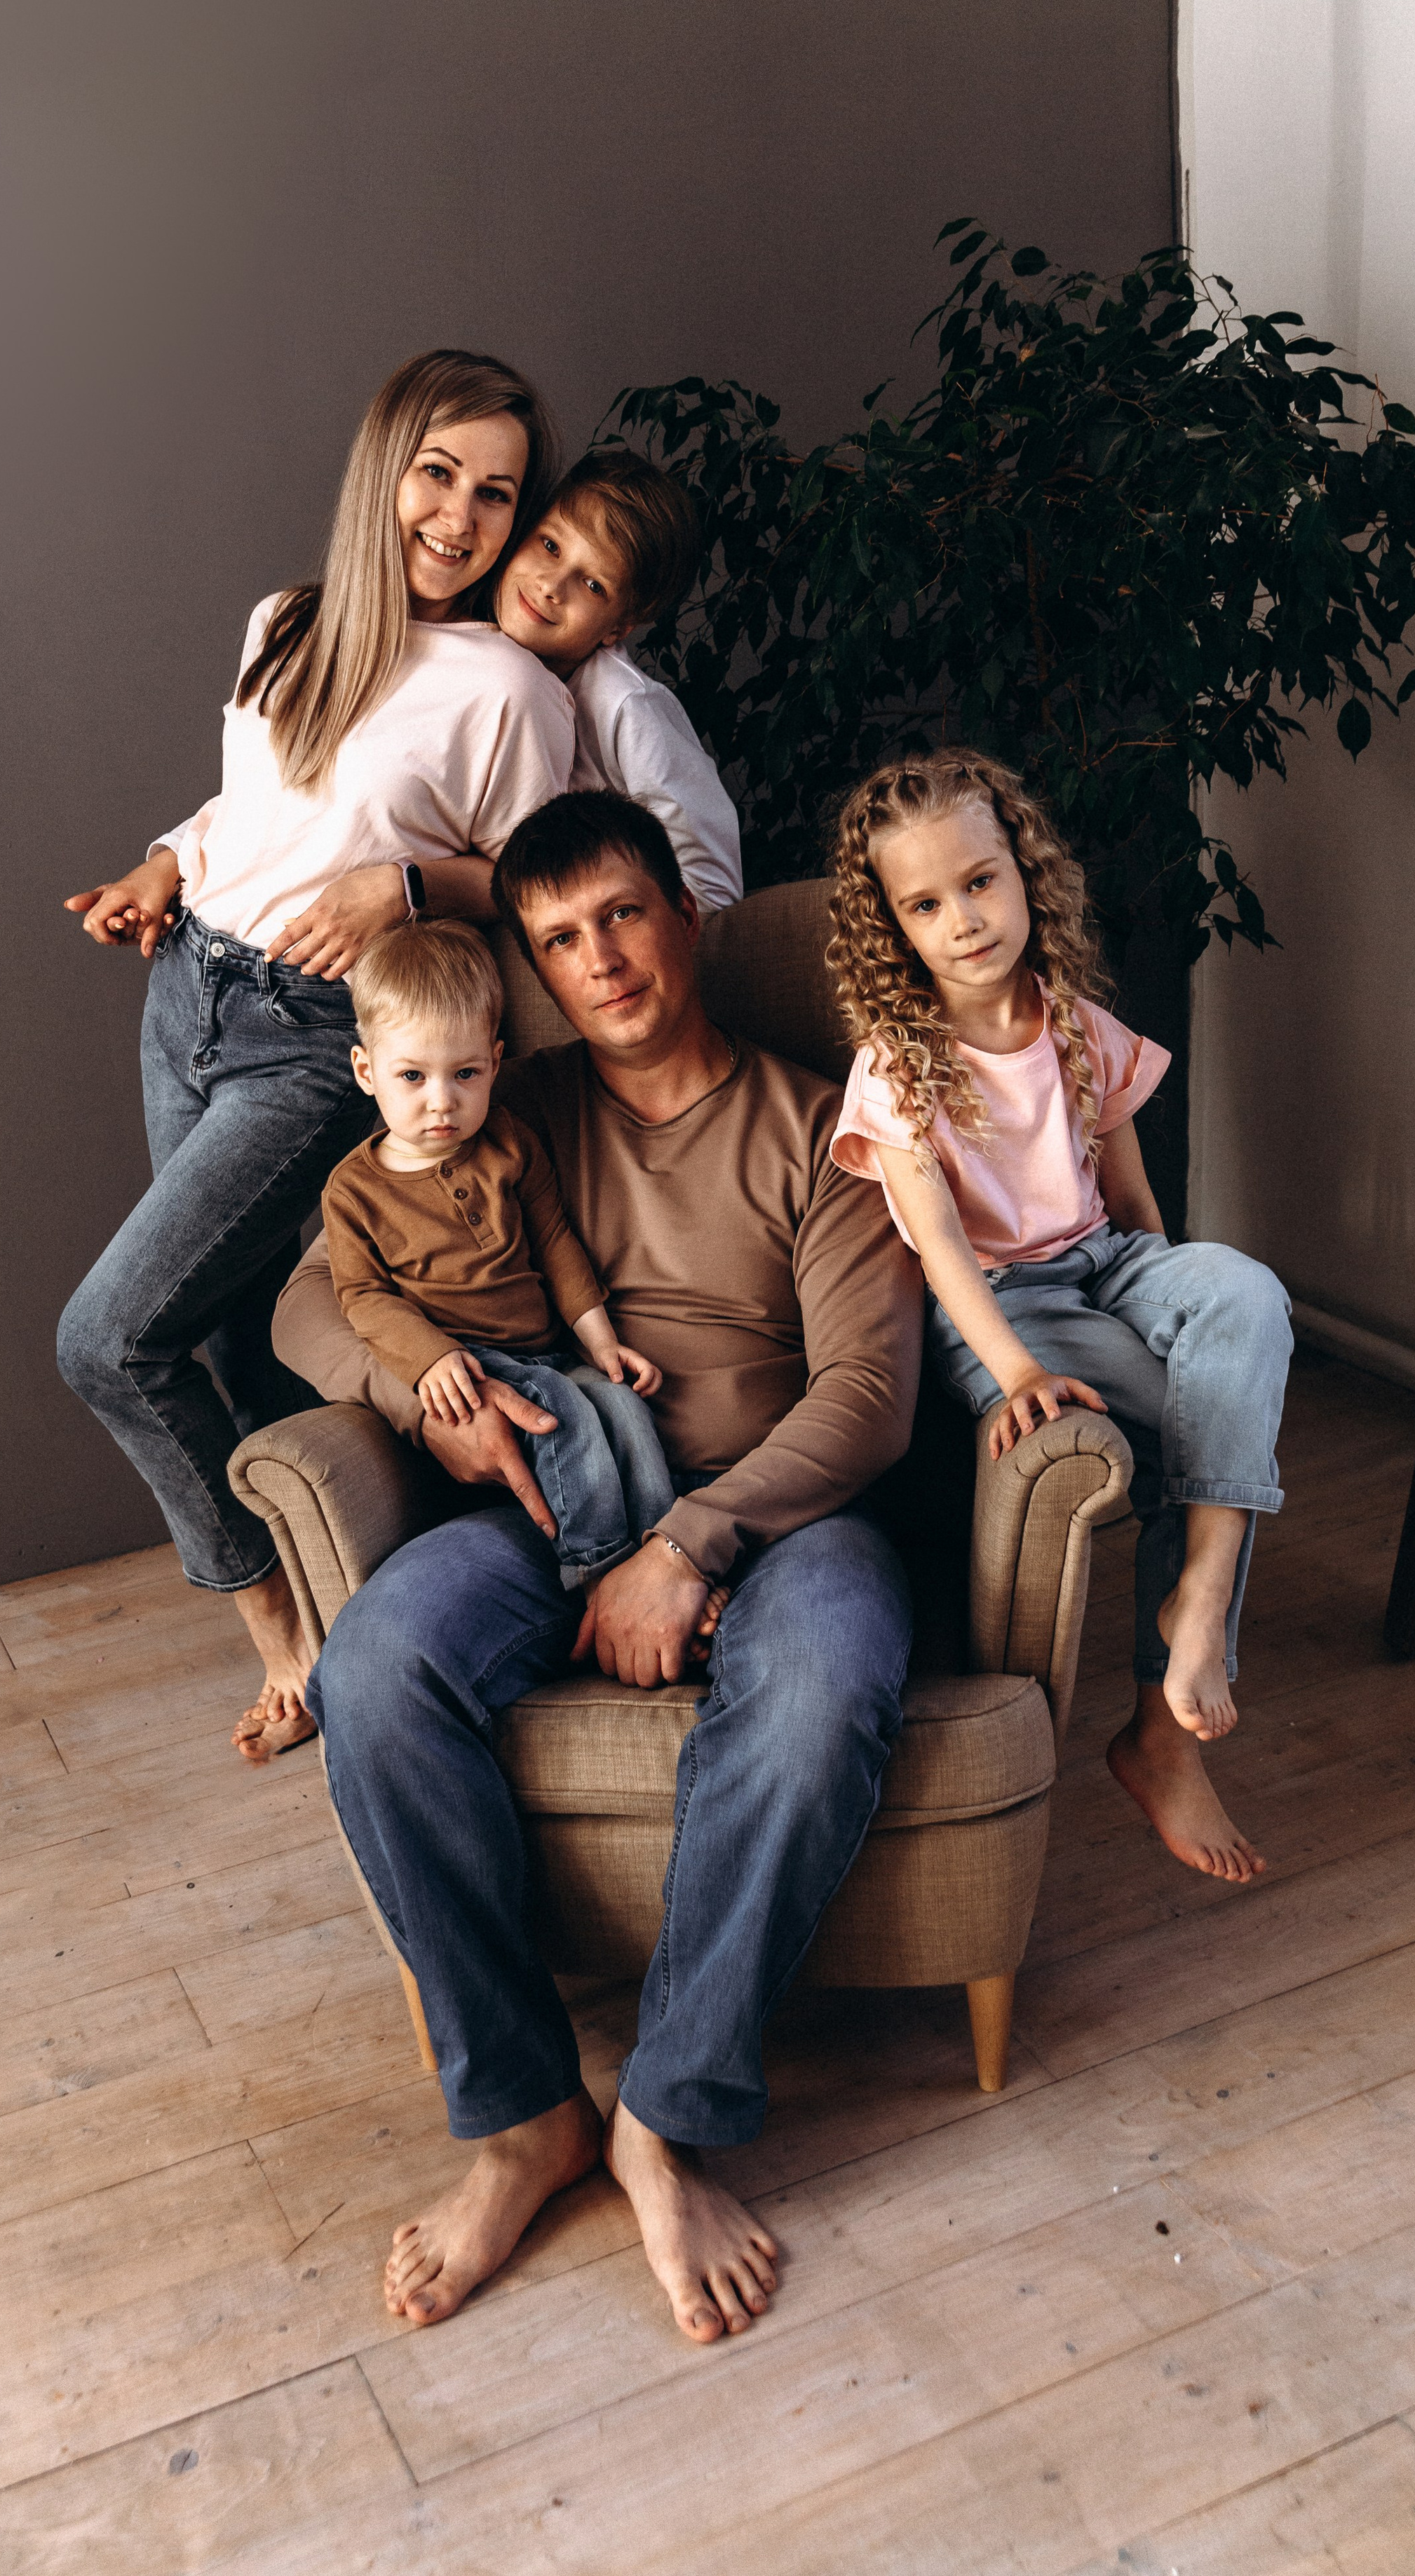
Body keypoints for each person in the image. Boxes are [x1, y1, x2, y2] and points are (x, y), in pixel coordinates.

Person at [269, 792, 922, 2344]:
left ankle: (665, 2118)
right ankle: (522, 2116)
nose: (597, 959)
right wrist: (426, 1406)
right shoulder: (498, 1111)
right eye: (557, 939)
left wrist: (692, 1544)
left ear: (681, 919)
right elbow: (308, 1307)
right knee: (374, 1666)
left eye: (620, 916)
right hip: (550, 1502)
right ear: (533, 975)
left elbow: (868, 1396)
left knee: (827, 1678)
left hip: (782, 1514)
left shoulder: (818, 1122)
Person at [55, 350, 574, 1740]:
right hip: (187, 990)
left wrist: (405, 890)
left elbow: (542, 882)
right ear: (383, 467)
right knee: (220, 1330)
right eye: (437, 474)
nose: (459, 519)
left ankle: (284, 1628)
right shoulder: (284, 623)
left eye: (496, 495)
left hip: (314, 1036)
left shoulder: (509, 691)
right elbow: (259, 810)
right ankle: (387, 1617)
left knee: (111, 1338)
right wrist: (163, 865)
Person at [826, 747, 1294, 1887]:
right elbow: (937, 1248)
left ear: (1026, 874)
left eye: (981, 882)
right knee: (1198, 1403)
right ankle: (1165, 1725)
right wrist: (1012, 1370)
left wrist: (1188, 1306)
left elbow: (1133, 1203)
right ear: (895, 928)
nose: (965, 918)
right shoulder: (901, 1065)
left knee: (1250, 1297)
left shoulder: (1072, 1021)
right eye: (926, 903)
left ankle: (1202, 1582)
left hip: (1107, 1265)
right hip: (1000, 1306)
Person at [322, 916, 700, 1606]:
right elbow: (363, 1295)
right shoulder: (354, 1190)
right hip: (469, 1361)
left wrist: (602, 1342)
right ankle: (593, 1569)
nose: (443, 1101)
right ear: (366, 1070)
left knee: (619, 1405)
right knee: (561, 1414)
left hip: (547, 1349)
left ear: (495, 1063)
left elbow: (555, 1241)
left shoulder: (508, 1143)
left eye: (465, 1073)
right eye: (413, 1076)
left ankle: (661, 1549)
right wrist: (430, 1359)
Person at [493, 445, 744, 911]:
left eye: (593, 585)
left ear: (618, 628)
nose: (551, 586)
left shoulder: (625, 705)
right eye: (550, 545)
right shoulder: (480, 652)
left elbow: (713, 882)